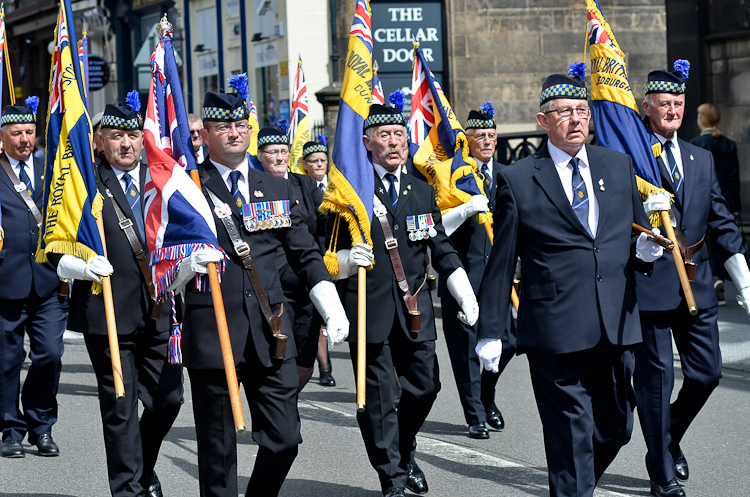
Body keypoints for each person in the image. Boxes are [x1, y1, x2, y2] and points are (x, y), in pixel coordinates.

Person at [476, 67, 664, 497]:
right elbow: (502, 261)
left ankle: (574, 483)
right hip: (554, 329)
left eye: (582, 110)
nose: (576, 119)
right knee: (570, 437)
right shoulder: (518, 177)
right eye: (564, 112)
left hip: (614, 323)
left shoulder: (616, 166)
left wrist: (646, 253)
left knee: (616, 428)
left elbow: (633, 235)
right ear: (543, 121)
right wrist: (489, 332)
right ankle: (573, 487)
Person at [178, 90, 348, 497]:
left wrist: (330, 304)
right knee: (218, 451)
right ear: (207, 131)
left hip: (272, 332)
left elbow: (305, 253)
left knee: (284, 438)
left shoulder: (274, 187)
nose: (234, 133)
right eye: (223, 127)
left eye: (240, 125)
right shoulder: (187, 187)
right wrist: (185, 266)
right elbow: (160, 255)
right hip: (213, 329)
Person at [329, 99, 478, 497]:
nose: (394, 143)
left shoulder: (420, 190)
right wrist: (343, 261)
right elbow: (323, 252)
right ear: (367, 141)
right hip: (369, 306)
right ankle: (392, 479)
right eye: (385, 136)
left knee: (426, 386)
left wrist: (460, 286)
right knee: (376, 402)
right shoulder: (350, 191)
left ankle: (403, 446)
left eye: (399, 135)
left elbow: (439, 245)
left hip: (414, 309)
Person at [53, 96, 183, 497]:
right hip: (108, 311)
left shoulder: (160, 178)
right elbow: (57, 249)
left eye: (132, 135)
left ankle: (141, 465)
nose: (126, 144)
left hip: (161, 310)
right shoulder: (83, 182)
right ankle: (127, 490)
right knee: (120, 408)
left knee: (168, 399)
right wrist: (81, 266)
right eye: (115, 136)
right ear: (98, 141)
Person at [635, 62, 750, 497]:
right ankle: (661, 473)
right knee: (658, 379)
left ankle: (665, 439)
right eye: (664, 104)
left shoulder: (700, 158)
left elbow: (720, 219)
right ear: (647, 107)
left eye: (678, 104)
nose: (672, 110)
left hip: (697, 285)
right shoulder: (630, 154)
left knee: (706, 374)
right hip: (648, 285)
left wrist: (743, 280)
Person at [438, 102, 512, 439]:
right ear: (467, 139)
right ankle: (474, 416)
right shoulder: (451, 173)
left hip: (498, 275)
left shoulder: (506, 174)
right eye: (479, 135)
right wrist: (466, 208)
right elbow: (438, 228)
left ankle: (487, 394)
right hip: (462, 275)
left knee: (510, 341)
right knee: (465, 349)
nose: (486, 140)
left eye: (491, 135)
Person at [0, 98, 69, 459]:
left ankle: (41, 425)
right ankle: (11, 429)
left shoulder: (52, 171)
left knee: (49, 355)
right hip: (5, 283)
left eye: (29, 132)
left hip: (48, 283)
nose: (25, 139)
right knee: (7, 360)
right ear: (2, 137)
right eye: (17, 133)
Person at [255, 123, 329, 391]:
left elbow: (326, 222)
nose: (279, 157)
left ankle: (288, 403)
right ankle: (281, 410)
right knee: (280, 353)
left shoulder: (305, 184)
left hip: (306, 281)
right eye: (272, 152)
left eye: (283, 151)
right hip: (273, 285)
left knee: (305, 357)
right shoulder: (253, 186)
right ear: (260, 155)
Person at [690, 102, 741, 304]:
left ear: (702, 119)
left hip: (704, 197)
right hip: (726, 197)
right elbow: (735, 177)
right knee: (722, 239)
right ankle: (719, 279)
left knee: (702, 241)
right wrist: (736, 206)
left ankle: (713, 280)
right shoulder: (729, 144)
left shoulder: (695, 144)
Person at [301, 136, 336, 387]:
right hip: (315, 254)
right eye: (314, 161)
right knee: (319, 315)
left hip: (338, 256)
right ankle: (325, 369)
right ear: (305, 165)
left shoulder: (336, 185)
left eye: (323, 160)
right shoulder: (300, 186)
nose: (319, 164)